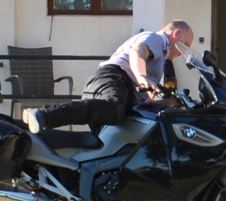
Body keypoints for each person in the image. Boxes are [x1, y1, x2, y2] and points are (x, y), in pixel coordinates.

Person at [25, 20, 195, 135]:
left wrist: (172, 104)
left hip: (124, 93)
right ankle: (43, 115)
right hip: (112, 78)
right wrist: (142, 77)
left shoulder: (160, 59)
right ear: (176, 33)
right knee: (112, 109)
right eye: (185, 45)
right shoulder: (155, 38)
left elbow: (149, 100)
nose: (183, 52)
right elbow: (138, 52)